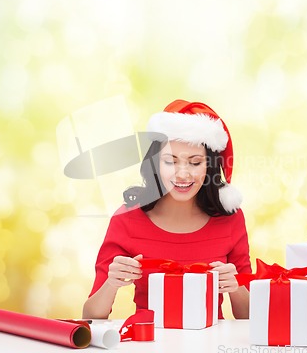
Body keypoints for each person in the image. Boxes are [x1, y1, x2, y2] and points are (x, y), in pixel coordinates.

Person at [82, 99, 251, 319]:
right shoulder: (127, 218)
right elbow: (90, 316)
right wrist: (111, 284)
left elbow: (249, 318)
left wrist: (235, 286)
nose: (182, 174)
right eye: (170, 161)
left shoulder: (230, 219)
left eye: (195, 162)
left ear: (209, 165)